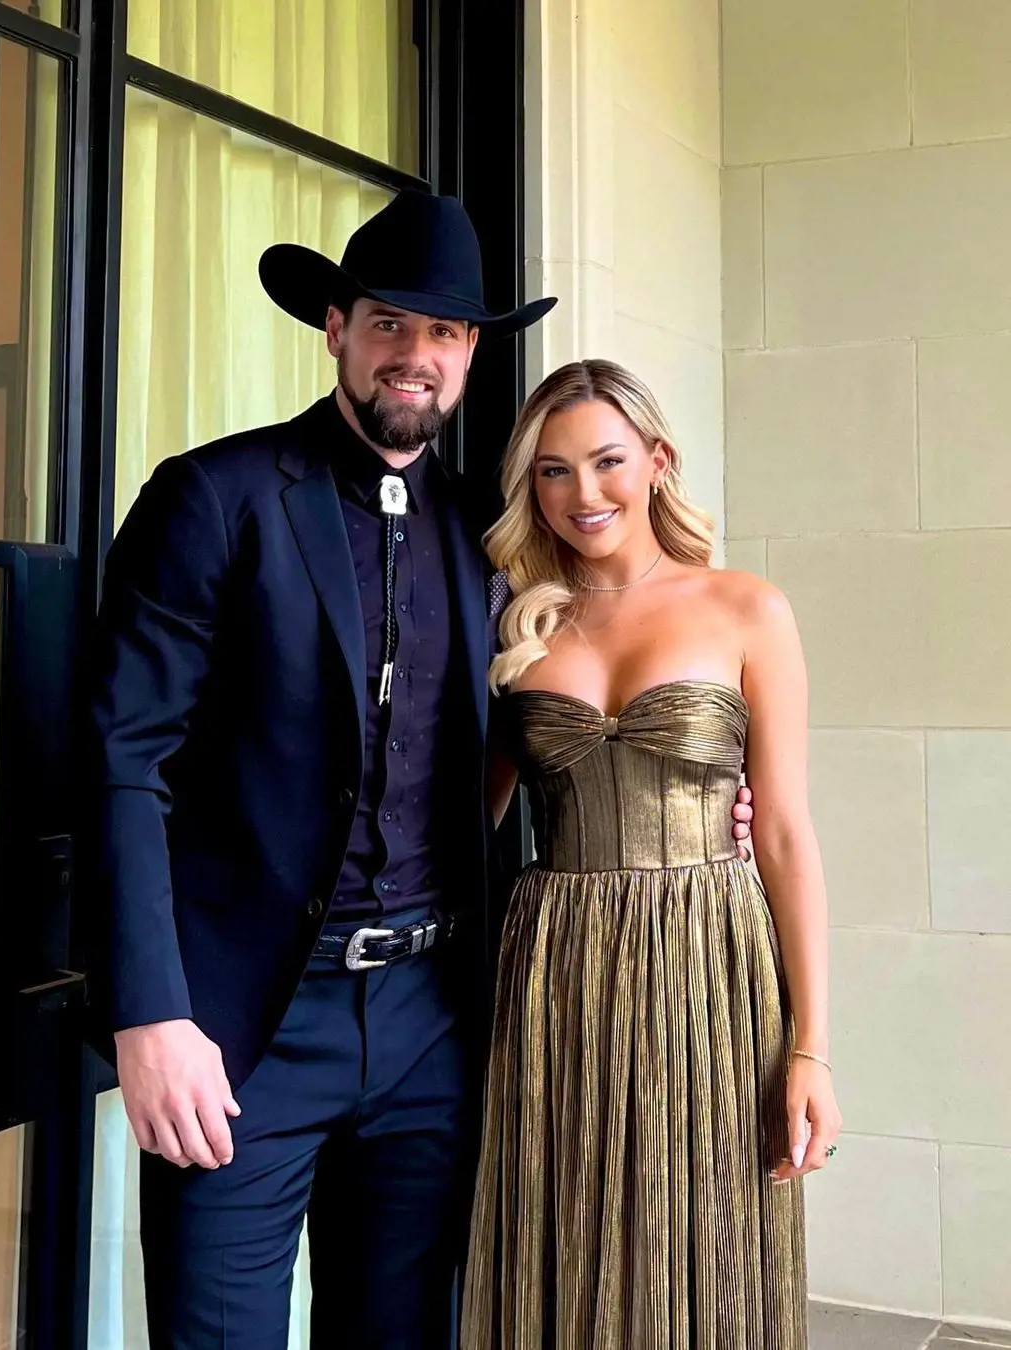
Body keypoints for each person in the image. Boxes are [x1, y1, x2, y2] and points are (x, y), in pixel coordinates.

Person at [88, 193, 754, 1349]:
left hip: (435, 1026)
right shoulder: (214, 499)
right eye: (391, 322)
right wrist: (150, 1013)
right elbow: (120, 762)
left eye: (444, 333)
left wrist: (692, 797)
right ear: (336, 327)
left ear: (470, 354)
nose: (416, 354)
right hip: (244, 1029)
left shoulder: (490, 536)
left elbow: (552, 729)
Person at [461, 359, 842, 1349]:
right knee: (568, 1235)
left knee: (706, 1239)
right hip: (557, 965)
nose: (583, 494)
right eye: (552, 471)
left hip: (711, 963)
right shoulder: (510, 623)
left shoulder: (747, 608)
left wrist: (810, 1048)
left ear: (658, 462)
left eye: (607, 462)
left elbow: (790, 835)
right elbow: (460, 825)